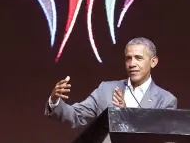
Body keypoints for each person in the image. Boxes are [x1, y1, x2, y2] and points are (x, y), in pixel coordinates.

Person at [45, 37, 177, 142]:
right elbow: (75, 116)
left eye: (139, 58)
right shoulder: (106, 90)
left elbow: (163, 140)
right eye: (128, 58)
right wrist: (55, 100)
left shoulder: (166, 101)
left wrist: (128, 116)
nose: (132, 64)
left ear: (153, 62)